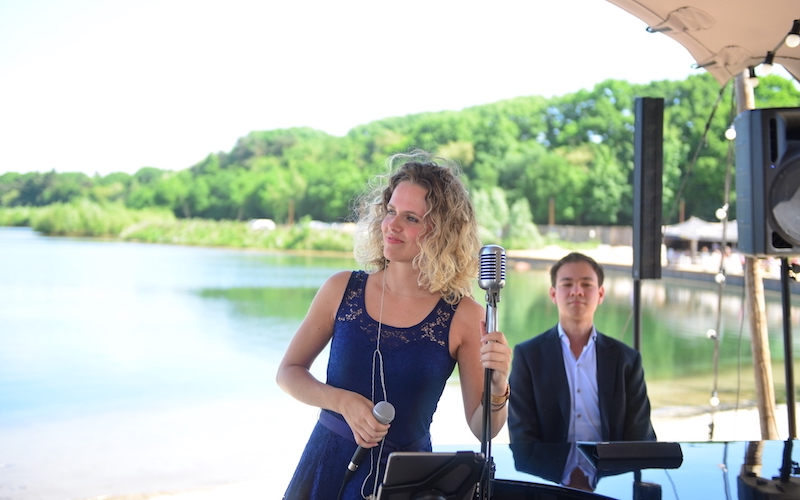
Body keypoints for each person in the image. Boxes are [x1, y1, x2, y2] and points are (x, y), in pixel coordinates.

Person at [277, 150, 512, 500]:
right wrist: (341, 402)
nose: (392, 225)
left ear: (441, 231)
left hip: (409, 485)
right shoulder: (340, 289)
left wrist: (500, 386)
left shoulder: (465, 316)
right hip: (325, 470)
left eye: (411, 218)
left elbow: (483, 430)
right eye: (390, 211)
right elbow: (288, 373)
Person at [508, 252, 655, 443]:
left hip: (610, 470)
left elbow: (640, 434)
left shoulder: (627, 360)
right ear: (553, 294)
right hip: (548, 470)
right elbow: (521, 434)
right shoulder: (528, 356)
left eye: (586, 284)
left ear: (601, 294)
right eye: (567, 284)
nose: (577, 291)